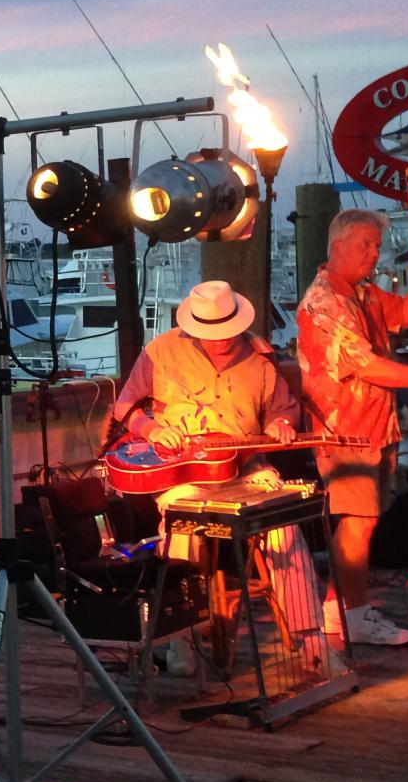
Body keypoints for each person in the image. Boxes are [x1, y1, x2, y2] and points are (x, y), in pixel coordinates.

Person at [113, 280, 327, 675]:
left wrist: (281, 423)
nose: (222, 341)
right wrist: (152, 430)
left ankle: (311, 637)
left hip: (246, 470)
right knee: (180, 532)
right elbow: (124, 406)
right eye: (212, 335)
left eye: (228, 333)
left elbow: (285, 410)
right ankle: (179, 639)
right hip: (186, 473)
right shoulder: (161, 352)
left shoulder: (261, 359)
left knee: (283, 528)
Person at [296, 209, 408, 646]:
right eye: (365, 245)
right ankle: (354, 614)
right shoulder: (325, 301)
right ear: (337, 246)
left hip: (377, 426)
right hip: (345, 431)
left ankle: (340, 607)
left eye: (376, 245)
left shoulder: (364, 293)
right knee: (357, 521)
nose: (374, 254)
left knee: (363, 521)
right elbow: (365, 365)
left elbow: (406, 314)